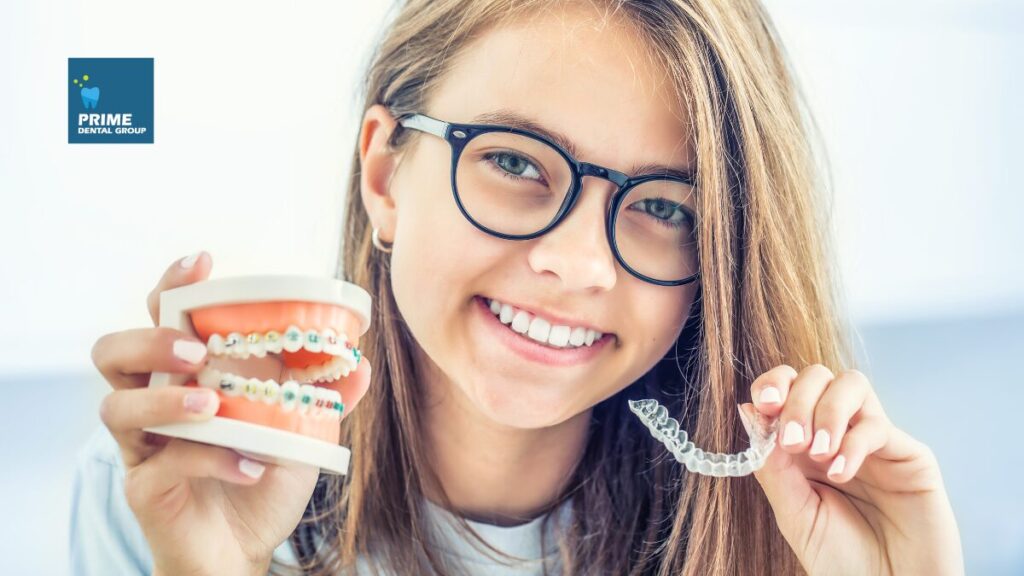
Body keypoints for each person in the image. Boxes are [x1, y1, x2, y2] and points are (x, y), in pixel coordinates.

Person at [72, 0, 964, 574]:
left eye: (668, 208)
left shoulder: (784, 535)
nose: (579, 264)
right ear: (385, 175)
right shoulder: (159, 490)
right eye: (511, 161)